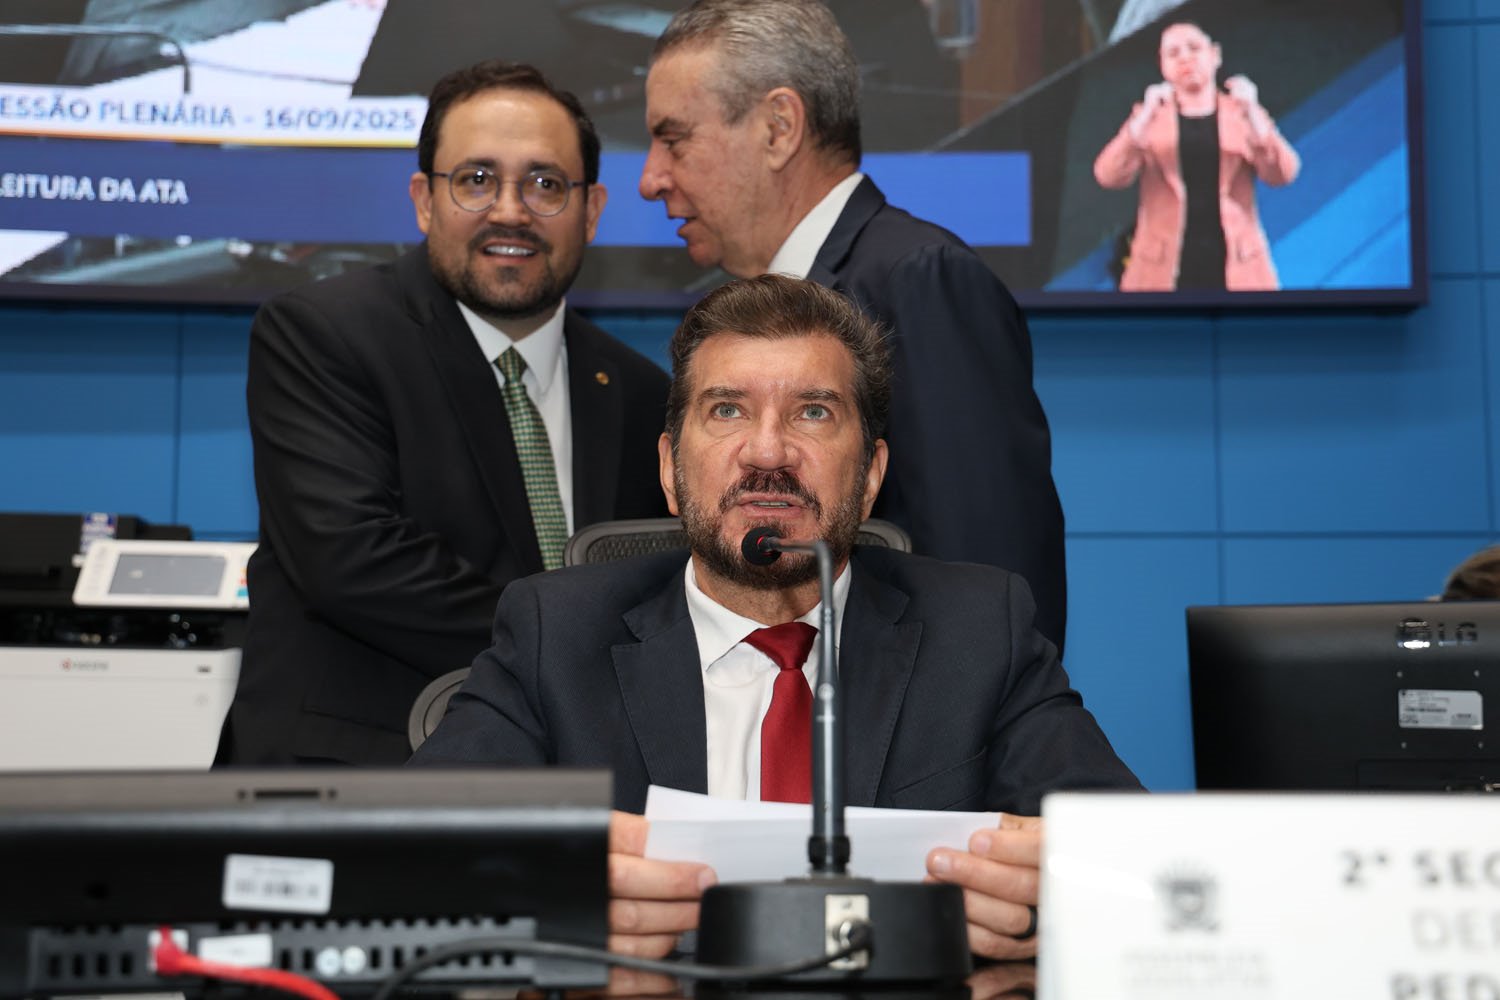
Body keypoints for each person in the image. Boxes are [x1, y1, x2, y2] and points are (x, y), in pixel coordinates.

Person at [411, 273, 1140, 961]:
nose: (768, 451)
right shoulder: (557, 634)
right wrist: (555, 893)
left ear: (871, 475)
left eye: (813, 412)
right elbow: (408, 855)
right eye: (727, 410)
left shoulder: (978, 632)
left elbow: (1135, 862)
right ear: (669, 470)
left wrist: (1047, 900)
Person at [219, 61, 670, 766]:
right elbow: (352, 561)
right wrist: (575, 645)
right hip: (355, 779)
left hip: (569, 784)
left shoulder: (643, 392)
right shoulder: (323, 334)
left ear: (592, 210)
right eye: (476, 179)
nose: (511, 211)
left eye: (546, 184)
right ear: (424, 200)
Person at [634, 0, 1070, 653]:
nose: (650, 179)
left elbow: (994, 580)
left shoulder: (920, 280)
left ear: (779, 128)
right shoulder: (751, 309)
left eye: (674, 139)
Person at [1094, 21, 1300, 292]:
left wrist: (1252, 110)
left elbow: (1284, 174)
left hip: (1238, 267)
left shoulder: (1241, 113)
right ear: (1162, 66)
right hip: (1162, 270)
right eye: (1173, 53)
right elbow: (1108, 175)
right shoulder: (1150, 117)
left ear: (1215, 55)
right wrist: (1142, 120)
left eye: (1194, 48)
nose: (1185, 58)